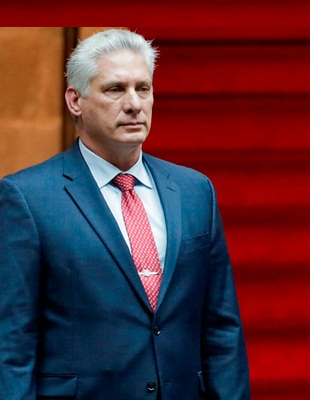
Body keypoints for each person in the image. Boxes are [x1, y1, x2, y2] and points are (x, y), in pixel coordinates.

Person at [0, 29, 250, 399]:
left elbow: (221, 327)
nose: (134, 104)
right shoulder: (27, 197)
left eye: (143, 88)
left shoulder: (195, 191)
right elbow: (11, 340)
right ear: (75, 100)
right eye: (115, 89)